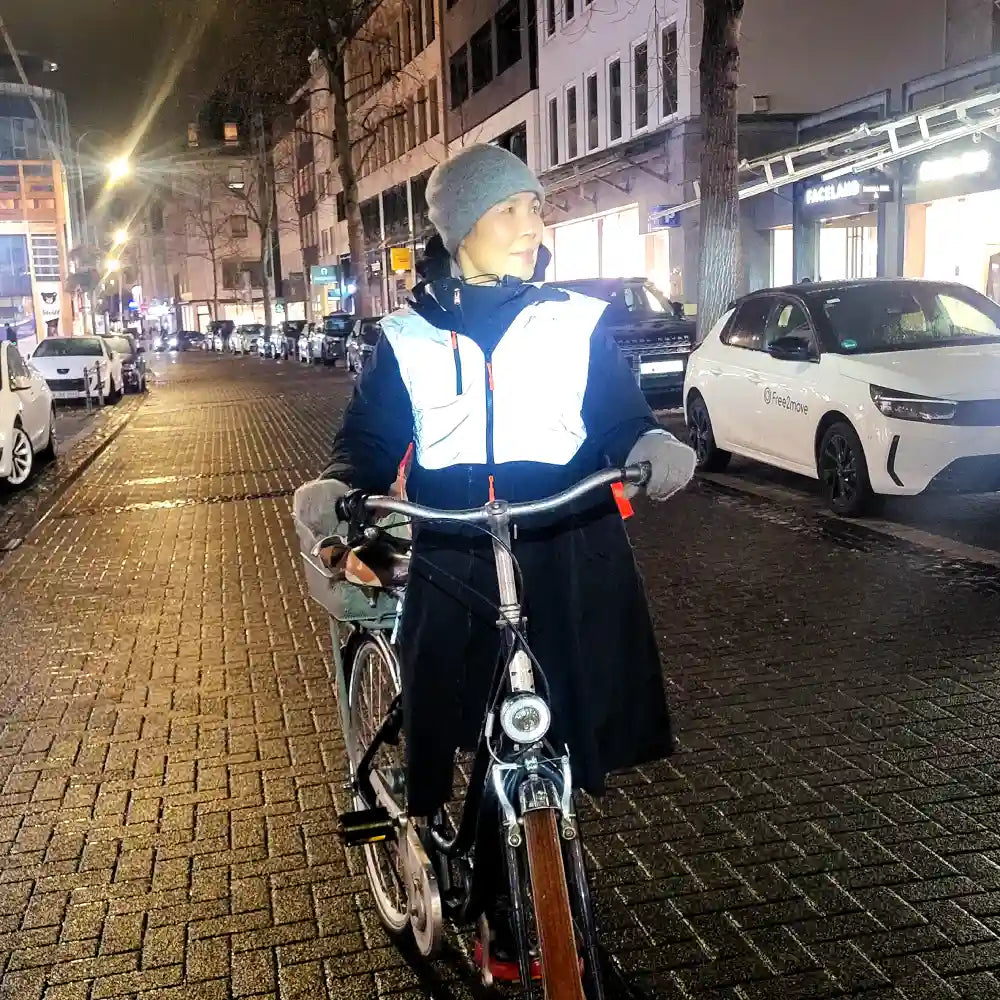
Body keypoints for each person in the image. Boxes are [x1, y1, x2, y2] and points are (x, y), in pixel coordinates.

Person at [294, 144, 696, 978]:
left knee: (563, 713)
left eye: (536, 208)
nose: (532, 226)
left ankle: (531, 882)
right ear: (462, 226)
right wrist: (341, 485)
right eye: (512, 209)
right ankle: (420, 818)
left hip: (561, 537)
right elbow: (368, 442)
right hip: (453, 546)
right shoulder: (405, 336)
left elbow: (616, 416)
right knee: (448, 702)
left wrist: (650, 441)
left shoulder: (571, 319)